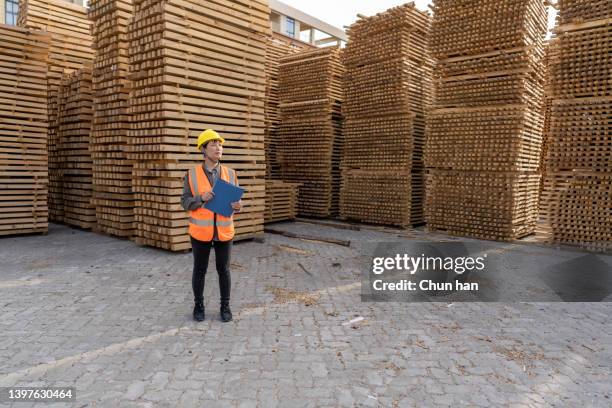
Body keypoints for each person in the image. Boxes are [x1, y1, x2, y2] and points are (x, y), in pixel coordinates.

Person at [181, 129, 242, 322]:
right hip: (200, 232)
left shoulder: (231, 174)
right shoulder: (191, 175)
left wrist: (239, 206)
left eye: (220, 144)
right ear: (203, 149)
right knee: (199, 270)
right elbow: (185, 202)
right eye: (213, 144)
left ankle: (225, 306)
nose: (218, 148)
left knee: (223, 270)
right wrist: (201, 198)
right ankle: (198, 305)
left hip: (224, 231)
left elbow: (235, 202)